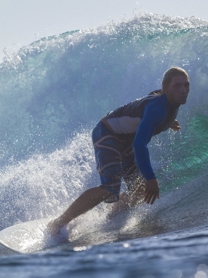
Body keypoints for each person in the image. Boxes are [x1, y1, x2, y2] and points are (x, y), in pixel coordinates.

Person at [47, 67, 190, 235]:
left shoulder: (168, 102)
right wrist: (151, 177)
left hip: (125, 141)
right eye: (177, 86)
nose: (183, 90)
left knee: (140, 189)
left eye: (186, 85)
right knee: (110, 188)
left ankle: (113, 214)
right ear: (166, 88)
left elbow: (151, 100)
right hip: (108, 133)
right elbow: (139, 145)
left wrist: (169, 121)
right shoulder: (157, 109)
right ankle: (58, 222)